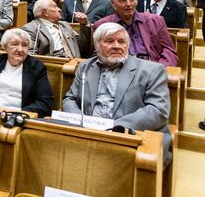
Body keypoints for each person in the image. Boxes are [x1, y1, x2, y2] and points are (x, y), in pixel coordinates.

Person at [63, 23, 172, 166]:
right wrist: (82, 122)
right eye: (109, 41)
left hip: (131, 135)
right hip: (88, 132)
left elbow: (158, 110)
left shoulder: (152, 70)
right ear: (97, 46)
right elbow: (70, 99)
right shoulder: (85, 67)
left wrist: (114, 127)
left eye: (121, 41)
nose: (116, 46)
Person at [0, 29, 53, 117]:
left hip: (20, 117)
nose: (20, 49)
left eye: (24, 45)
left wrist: (20, 114)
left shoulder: (37, 67)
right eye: (15, 44)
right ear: (5, 47)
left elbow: (45, 103)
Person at [94, 0, 177, 66]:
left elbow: (168, 50)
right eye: (123, 0)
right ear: (113, 3)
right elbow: (98, 53)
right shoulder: (102, 25)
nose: (128, 4)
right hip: (119, 68)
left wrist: (161, 68)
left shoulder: (155, 21)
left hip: (151, 66)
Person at [23, 0, 90, 58]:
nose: (60, 9)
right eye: (55, 7)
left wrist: (84, 25)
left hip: (74, 63)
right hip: (53, 65)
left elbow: (82, 47)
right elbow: (30, 55)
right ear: (45, 12)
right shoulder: (31, 28)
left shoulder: (65, 25)